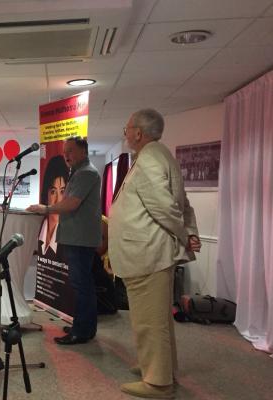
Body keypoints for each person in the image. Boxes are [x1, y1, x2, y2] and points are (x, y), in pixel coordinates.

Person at [109, 109, 201, 399]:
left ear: (138, 132)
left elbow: (164, 208)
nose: (125, 134)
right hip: (149, 253)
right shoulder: (160, 156)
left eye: (127, 128)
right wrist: (190, 232)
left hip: (147, 254)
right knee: (156, 318)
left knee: (149, 321)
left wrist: (186, 235)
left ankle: (158, 383)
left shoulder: (149, 159)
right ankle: (160, 368)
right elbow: (182, 204)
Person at [27, 136, 102, 346]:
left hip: (80, 238)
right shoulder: (78, 172)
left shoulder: (86, 173)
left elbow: (71, 204)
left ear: (83, 151)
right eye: (64, 151)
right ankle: (83, 326)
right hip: (75, 236)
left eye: (70, 151)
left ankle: (82, 331)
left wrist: (46, 208)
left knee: (82, 285)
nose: (66, 155)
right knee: (81, 284)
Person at [38, 155, 69, 257]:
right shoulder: (39, 226)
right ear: (46, 195)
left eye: (62, 191)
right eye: (53, 192)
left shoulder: (69, 236)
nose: (58, 200)